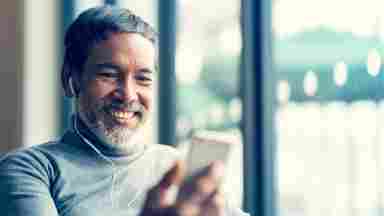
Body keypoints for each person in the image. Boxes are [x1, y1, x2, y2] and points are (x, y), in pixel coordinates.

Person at [0, 5, 249, 216]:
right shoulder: (30, 169)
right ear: (71, 80)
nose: (128, 95)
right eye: (108, 75)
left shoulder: (175, 168)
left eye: (143, 79)